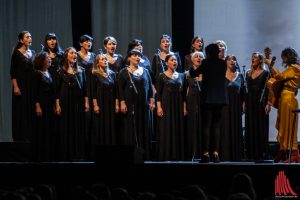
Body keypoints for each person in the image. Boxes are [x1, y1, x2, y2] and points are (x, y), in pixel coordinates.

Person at [189, 43, 228, 163]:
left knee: (206, 126)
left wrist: (191, 65)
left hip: (208, 98)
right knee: (216, 126)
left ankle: (205, 154)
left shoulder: (206, 62)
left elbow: (193, 73)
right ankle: (215, 154)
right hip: (220, 98)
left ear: (208, 53)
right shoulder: (223, 63)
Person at [265, 47, 300, 163]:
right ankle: (283, 149)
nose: (283, 60)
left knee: (289, 125)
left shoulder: (295, 68)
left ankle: (294, 153)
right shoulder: (291, 69)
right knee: (283, 124)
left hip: (289, 98)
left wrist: (270, 66)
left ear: (288, 57)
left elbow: (280, 76)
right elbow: (280, 76)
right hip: (285, 97)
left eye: (284, 58)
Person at [118, 49, 155, 160]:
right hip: (130, 105)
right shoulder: (124, 72)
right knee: (131, 129)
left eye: (139, 55)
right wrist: (122, 102)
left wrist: (152, 100)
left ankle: (145, 154)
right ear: (129, 58)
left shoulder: (145, 71)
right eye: (135, 55)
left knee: (144, 128)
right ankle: (132, 155)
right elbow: (120, 89)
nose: (137, 57)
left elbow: (150, 88)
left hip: (144, 105)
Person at [55, 47, 89, 161]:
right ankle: (67, 154)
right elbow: (57, 90)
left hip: (78, 102)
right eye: (71, 53)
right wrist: (57, 105)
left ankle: (78, 154)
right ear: (66, 55)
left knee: (78, 126)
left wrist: (86, 102)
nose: (74, 55)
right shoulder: (60, 71)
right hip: (65, 101)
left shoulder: (81, 70)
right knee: (67, 126)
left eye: (75, 53)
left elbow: (85, 89)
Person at [156, 54, 187, 161]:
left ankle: (177, 155)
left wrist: (184, 108)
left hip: (178, 105)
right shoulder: (161, 76)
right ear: (166, 62)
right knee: (167, 129)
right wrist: (159, 107)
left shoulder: (182, 76)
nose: (175, 62)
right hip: (166, 105)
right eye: (172, 60)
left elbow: (183, 95)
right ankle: (166, 155)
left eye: (176, 60)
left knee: (178, 128)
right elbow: (158, 94)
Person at [90, 53, 119, 159]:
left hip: (111, 103)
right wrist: (95, 105)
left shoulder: (112, 73)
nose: (105, 60)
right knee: (102, 126)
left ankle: (112, 152)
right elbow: (93, 92)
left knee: (111, 126)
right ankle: (102, 153)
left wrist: (116, 104)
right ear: (97, 62)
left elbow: (116, 90)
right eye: (102, 59)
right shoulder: (94, 74)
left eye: (105, 59)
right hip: (101, 103)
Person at [244, 52, 271, 161]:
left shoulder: (266, 73)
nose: (252, 59)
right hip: (250, 102)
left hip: (261, 102)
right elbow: (246, 90)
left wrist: (268, 103)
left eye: (255, 57)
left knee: (260, 126)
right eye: (252, 57)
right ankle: (251, 153)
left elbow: (270, 90)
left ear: (260, 60)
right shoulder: (248, 73)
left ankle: (262, 152)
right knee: (250, 125)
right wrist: (244, 102)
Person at [10, 31, 36, 141]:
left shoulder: (33, 53)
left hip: (32, 85)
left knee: (31, 109)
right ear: (21, 40)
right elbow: (13, 72)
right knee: (22, 110)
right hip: (21, 85)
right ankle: (21, 137)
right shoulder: (16, 53)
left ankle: (31, 135)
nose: (30, 38)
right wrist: (15, 87)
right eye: (27, 37)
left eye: (30, 36)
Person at [220, 55, 245, 161]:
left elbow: (243, 92)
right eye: (229, 59)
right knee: (225, 129)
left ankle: (236, 155)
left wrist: (243, 105)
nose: (232, 61)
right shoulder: (220, 75)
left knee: (236, 128)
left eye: (234, 59)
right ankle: (225, 155)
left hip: (236, 107)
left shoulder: (240, 75)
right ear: (225, 62)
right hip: (224, 106)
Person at [32, 52, 56, 161]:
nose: (50, 60)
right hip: (41, 104)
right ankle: (41, 155)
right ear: (42, 61)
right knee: (42, 129)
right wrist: (37, 106)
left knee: (49, 129)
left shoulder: (49, 73)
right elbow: (34, 91)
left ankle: (49, 154)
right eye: (48, 58)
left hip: (49, 104)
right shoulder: (37, 74)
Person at [77, 34, 97, 159]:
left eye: (90, 41)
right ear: (81, 44)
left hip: (93, 88)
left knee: (92, 119)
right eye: (86, 41)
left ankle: (92, 150)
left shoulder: (94, 56)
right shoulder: (76, 55)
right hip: (81, 88)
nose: (89, 43)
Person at [185, 51, 205, 161]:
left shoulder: (207, 73)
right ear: (192, 60)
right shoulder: (187, 74)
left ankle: (203, 152)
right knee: (192, 126)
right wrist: (184, 107)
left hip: (204, 103)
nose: (198, 58)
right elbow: (184, 92)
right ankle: (192, 152)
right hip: (192, 102)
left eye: (201, 57)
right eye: (196, 56)